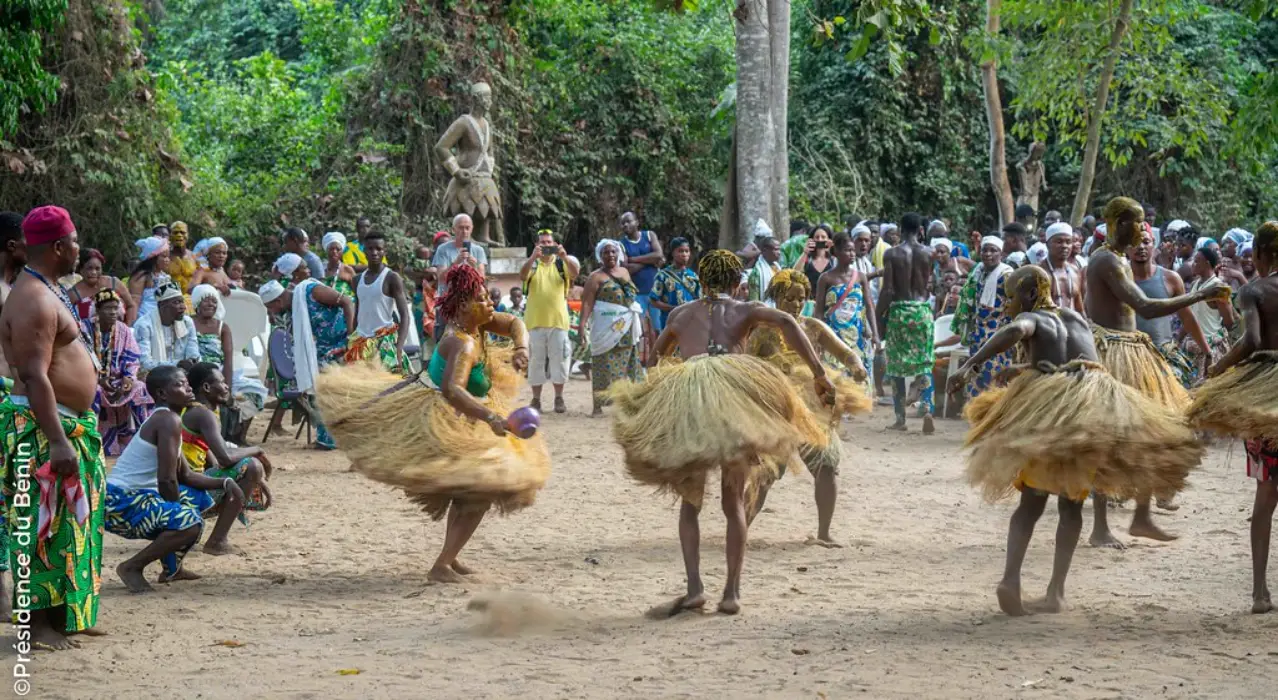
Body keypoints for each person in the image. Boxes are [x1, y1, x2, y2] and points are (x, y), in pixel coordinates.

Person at [949, 266, 1201, 616]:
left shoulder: (1032, 317)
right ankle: (1056, 592)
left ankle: (1010, 580)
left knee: (1031, 505)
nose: (1008, 305)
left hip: (1056, 415)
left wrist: (971, 365)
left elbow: (1016, 329)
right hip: (1089, 411)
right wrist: (1025, 370)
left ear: (1026, 293)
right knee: (1070, 506)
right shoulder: (1077, 319)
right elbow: (1077, 362)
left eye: (1010, 297)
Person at [606, 250, 835, 617]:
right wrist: (819, 374)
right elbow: (789, 323)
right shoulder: (745, 309)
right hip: (733, 399)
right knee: (733, 502)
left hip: (692, 399)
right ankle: (731, 593)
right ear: (736, 282)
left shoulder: (681, 314)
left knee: (690, 502)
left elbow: (655, 359)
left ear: (700, 280)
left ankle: (695, 588)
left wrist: (651, 400)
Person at [317, 263, 548, 583]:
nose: (491, 304)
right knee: (480, 491)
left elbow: (514, 323)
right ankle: (442, 564)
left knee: (470, 492)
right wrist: (492, 417)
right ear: (466, 305)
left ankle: (448, 559)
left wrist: (522, 348)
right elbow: (451, 390)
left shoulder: (479, 324)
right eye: (484, 299)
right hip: (440, 418)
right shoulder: (462, 342)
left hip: (461, 416)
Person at [1085, 196, 1229, 546]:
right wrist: (1199, 295)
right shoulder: (1106, 260)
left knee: (1152, 430)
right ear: (1118, 223)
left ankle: (1142, 516)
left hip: (1132, 350)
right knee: (1108, 437)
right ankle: (1101, 528)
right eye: (1136, 222)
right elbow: (1146, 307)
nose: (1143, 229)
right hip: (1112, 351)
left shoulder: (1117, 258)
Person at [0, 205, 105, 649]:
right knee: (38, 525)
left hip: (67, 424)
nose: (79, 249)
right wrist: (59, 441)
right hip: (44, 431)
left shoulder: (48, 288)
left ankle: (63, 615)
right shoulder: (33, 299)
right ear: (59, 247)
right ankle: (35, 626)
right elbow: (34, 374)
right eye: (76, 241)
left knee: (67, 527)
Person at [1187, 221, 1278, 614]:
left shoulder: (1254, 290)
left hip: (1265, 400)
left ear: (1258, 254)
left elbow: (1253, 342)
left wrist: (1218, 369)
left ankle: (1259, 592)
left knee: (1266, 497)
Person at [748, 268, 871, 545]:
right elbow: (748, 365)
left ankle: (823, 533)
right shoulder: (762, 331)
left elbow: (845, 351)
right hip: (776, 407)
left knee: (827, 466)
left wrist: (857, 366)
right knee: (766, 472)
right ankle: (741, 528)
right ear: (776, 297)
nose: (795, 304)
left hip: (813, 406)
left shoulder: (813, 327)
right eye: (789, 298)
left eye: (801, 298)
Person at [259, 254, 354, 450]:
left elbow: (346, 302)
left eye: (271, 308)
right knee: (321, 393)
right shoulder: (293, 309)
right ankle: (327, 440)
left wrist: (352, 339)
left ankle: (339, 439)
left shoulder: (311, 290)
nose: (273, 312)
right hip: (324, 350)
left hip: (343, 344)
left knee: (337, 393)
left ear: (277, 301)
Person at [179, 363, 272, 539]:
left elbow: (212, 458)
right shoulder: (202, 414)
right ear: (206, 387)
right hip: (186, 487)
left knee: (249, 469)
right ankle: (217, 541)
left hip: (183, 482)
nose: (226, 386)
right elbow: (226, 458)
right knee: (252, 466)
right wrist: (256, 450)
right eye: (221, 382)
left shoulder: (196, 410)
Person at [878, 213, 936, 433]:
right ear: (921, 230)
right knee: (924, 361)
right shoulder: (929, 253)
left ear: (901, 229)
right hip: (922, 311)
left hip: (900, 311)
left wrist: (877, 314)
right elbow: (929, 284)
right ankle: (927, 408)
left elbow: (889, 290)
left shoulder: (892, 254)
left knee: (896, 366)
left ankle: (900, 418)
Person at [1129, 226, 1203, 390]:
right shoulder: (1119, 277)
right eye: (1134, 242)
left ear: (1153, 244)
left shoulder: (1171, 278)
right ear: (1126, 246)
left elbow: (1187, 316)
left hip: (1163, 355)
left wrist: (1206, 350)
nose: (1140, 247)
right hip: (1129, 356)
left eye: (1145, 242)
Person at [581, 239, 646, 416]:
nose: (610, 255)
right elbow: (587, 303)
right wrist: (582, 326)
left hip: (626, 325)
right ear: (600, 256)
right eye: (606, 252)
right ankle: (598, 405)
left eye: (613, 252)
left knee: (629, 365)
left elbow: (630, 297)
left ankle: (632, 403)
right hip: (605, 327)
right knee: (603, 364)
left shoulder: (624, 272)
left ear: (618, 254)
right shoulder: (595, 277)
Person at [85, 288, 152, 456]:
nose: (113, 312)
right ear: (98, 310)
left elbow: (131, 359)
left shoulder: (123, 329)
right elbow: (80, 358)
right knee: (95, 392)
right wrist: (98, 379)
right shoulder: (84, 328)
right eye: (108, 308)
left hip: (117, 380)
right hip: (90, 380)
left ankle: (142, 441)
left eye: (116, 308)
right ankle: (91, 442)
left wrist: (128, 378)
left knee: (139, 388)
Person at [519, 229, 579, 414]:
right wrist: (531, 257)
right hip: (535, 323)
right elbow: (522, 276)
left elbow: (575, 274)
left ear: (554, 244)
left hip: (558, 322)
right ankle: (536, 399)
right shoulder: (533, 265)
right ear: (537, 245)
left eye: (548, 242)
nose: (545, 246)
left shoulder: (561, 264)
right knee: (535, 362)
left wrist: (565, 256)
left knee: (559, 360)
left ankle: (558, 398)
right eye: (542, 242)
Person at [950, 237, 1015, 399]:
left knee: (996, 378)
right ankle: (976, 414)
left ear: (1001, 253)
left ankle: (994, 416)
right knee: (975, 375)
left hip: (999, 336)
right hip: (978, 335)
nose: (988, 254)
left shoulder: (1007, 275)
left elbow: (1014, 305)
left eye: (993, 250)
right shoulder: (978, 273)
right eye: (985, 250)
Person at [815, 233, 878, 387]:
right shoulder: (826, 278)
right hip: (833, 336)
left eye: (852, 250)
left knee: (857, 375)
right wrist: (818, 337)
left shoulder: (860, 277)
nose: (851, 254)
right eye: (847, 250)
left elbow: (868, 306)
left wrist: (875, 334)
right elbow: (819, 311)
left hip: (856, 337)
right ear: (835, 252)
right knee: (836, 375)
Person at [345, 233, 413, 374]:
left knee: (388, 386)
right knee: (361, 387)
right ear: (364, 250)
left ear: (384, 251)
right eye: (370, 248)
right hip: (361, 341)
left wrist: (398, 348)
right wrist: (352, 340)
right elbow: (358, 312)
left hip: (384, 342)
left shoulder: (391, 278)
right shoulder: (357, 280)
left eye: (378, 249)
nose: (374, 252)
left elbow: (405, 315)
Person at [1182, 246, 1236, 384]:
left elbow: (1229, 321)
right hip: (1194, 348)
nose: (1193, 264)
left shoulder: (1218, 288)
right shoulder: (1196, 284)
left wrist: (1217, 338)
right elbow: (1190, 315)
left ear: (1207, 263)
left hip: (1210, 350)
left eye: (1197, 260)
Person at [133, 281, 200, 375]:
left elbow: (193, 352)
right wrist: (177, 364)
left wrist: (192, 360)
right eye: (177, 302)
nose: (183, 307)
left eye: (182, 301)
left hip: (182, 375)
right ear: (161, 305)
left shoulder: (187, 322)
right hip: (153, 377)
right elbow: (144, 363)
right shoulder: (144, 325)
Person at [618, 212, 665, 331]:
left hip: (656, 291)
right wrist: (650, 260)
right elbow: (627, 269)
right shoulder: (621, 244)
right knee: (637, 329)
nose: (625, 225)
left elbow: (659, 254)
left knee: (659, 327)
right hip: (637, 292)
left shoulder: (649, 235)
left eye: (628, 221)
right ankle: (640, 350)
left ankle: (660, 350)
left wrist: (634, 259)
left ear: (637, 223)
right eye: (623, 223)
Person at [649, 237, 702, 333]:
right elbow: (653, 301)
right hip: (669, 323)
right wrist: (673, 309)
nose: (684, 254)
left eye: (687, 251)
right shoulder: (663, 276)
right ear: (673, 253)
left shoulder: (693, 276)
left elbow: (700, 300)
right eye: (680, 251)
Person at [71, 249, 136, 325]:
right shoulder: (73, 294)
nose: (94, 272)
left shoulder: (114, 283)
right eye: (89, 268)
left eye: (97, 268)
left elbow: (131, 306)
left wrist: (126, 328)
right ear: (81, 269)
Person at [1041, 223, 1085, 314]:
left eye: (1068, 242)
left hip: (1073, 325)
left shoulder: (1075, 271)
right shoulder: (1039, 272)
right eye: (1059, 242)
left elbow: (1079, 308)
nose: (1064, 246)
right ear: (1047, 244)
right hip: (1049, 325)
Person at [128, 236, 172, 320]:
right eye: (164, 256)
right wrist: (131, 328)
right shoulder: (141, 276)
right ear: (153, 258)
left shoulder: (164, 276)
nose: (167, 260)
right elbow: (134, 303)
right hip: (146, 320)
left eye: (168, 256)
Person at [794, 224, 835, 293]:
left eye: (823, 237)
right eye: (817, 237)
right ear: (812, 240)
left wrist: (833, 250)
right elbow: (795, 274)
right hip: (810, 301)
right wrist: (805, 252)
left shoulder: (833, 259)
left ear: (829, 239)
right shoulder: (807, 259)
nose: (820, 240)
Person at [166, 222, 199, 308]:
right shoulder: (165, 256)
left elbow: (200, 277)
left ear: (187, 235)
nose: (179, 235)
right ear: (170, 235)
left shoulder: (193, 256)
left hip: (191, 301)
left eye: (182, 232)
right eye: (175, 232)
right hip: (170, 301)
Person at [746, 236, 783, 304]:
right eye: (776, 249)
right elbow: (754, 301)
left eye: (779, 250)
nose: (779, 252)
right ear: (765, 250)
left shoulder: (778, 268)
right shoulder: (757, 273)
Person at [321, 231, 357, 298]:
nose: (335, 251)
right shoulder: (321, 269)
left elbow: (357, 292)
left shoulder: (347, 269)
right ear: (326, 250)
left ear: (342, 251)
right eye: (331, 249)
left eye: (338, 249)